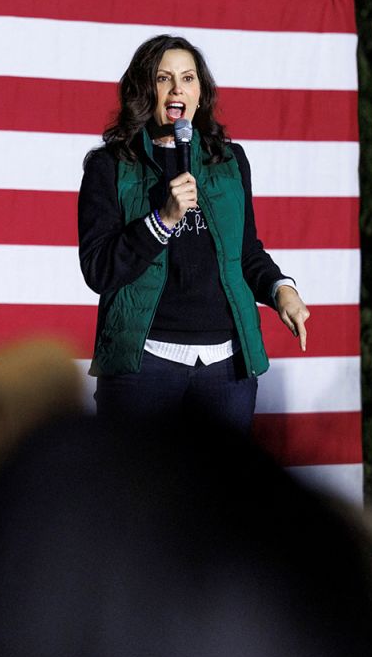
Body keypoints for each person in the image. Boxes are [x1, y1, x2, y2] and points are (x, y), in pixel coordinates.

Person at [78, 34, 310, 430]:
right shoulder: (111, 166)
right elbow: (99, 269)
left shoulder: (229, 160)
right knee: (136, 492)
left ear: (201, 93)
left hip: (226, 370)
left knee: (221, 494)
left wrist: (281, 290)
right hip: (144, 365)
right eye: (163, 78)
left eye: (187, 78)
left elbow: (247, 253)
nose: (176, 89)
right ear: (144, 90)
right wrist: (162, 220)